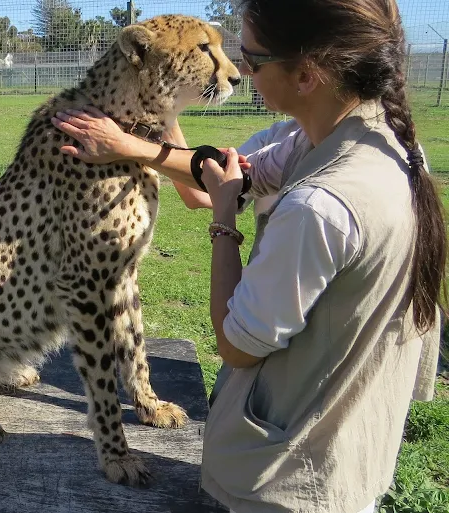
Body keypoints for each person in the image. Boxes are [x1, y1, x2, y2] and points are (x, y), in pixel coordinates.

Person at [50, 1, 446, 511]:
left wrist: (223, 226)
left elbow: (236, 345)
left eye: (250, 60)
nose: (236, 72)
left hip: (286, 484)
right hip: (346, 448)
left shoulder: (319, 207)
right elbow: (213, 183)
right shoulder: (370, 142)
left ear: (306, 74)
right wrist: (148, 121)